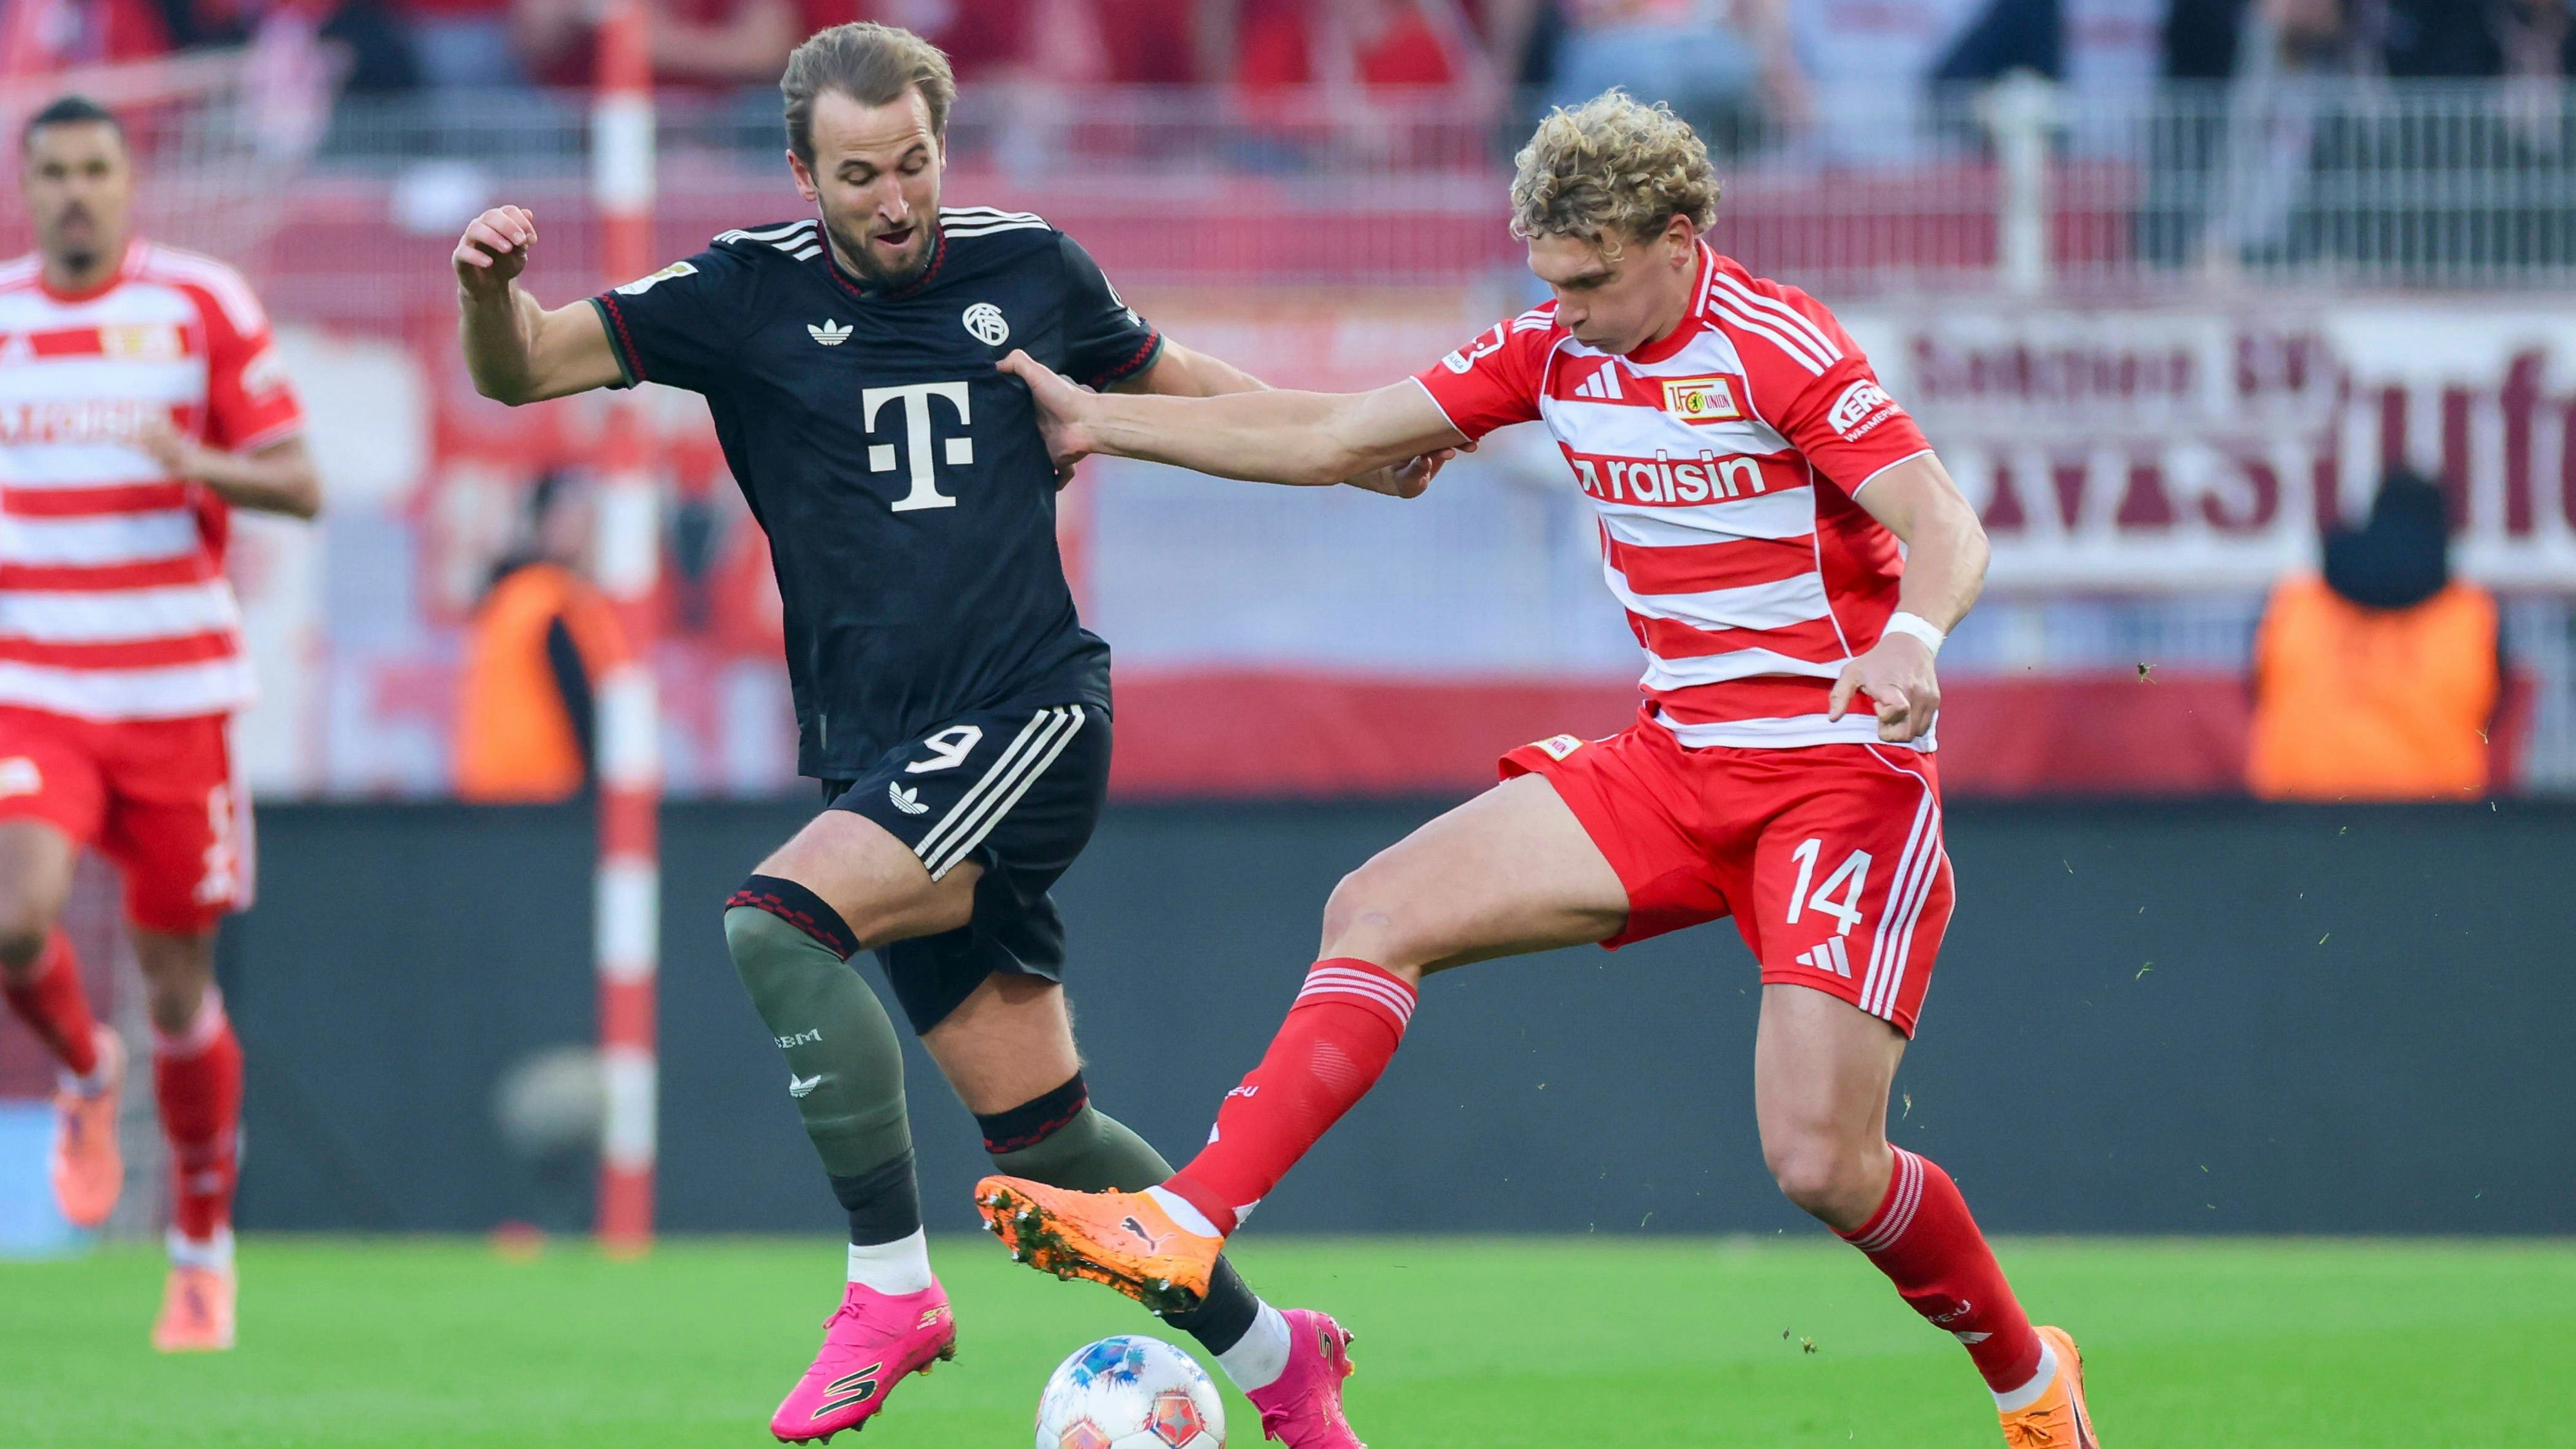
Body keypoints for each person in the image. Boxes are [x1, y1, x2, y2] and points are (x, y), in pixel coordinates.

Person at [975, 90, 2104, 1449]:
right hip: (1674, 764)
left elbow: (1941, 519)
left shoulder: (1769, 343)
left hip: (1832, 779)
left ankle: (2025, 1380)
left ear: (1676, 240)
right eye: (1545, 282)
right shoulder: (1552, 350)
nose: (1561, 308)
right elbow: (1333, 435)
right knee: (1374, 909)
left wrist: (1914, 639)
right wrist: (1101, 426)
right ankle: (1185, 1218)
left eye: (1587, 279)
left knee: (1819, 1162)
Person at [451, 23, 1441, 1446]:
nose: (897, 199)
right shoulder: (738, 294)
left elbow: (1180, 383)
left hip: (1028, 712)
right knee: (1053, 1148)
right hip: (884, 760)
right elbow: (522, 369)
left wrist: (1357, 445)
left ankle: (889, 1291)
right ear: (803, 172)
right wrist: (490, 292)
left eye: (915, 161)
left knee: (774, 925)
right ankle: (1288, 1364)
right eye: (861, 175)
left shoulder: (1026, 263)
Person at [0, 95, 321, 1351]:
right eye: (54, 172)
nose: (76, 191)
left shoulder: (199, 306)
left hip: (179, 697)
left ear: (130, 185)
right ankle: (85, 1070)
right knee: (17, 915)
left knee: (179, 990)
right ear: (28, 190)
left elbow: (297, 481)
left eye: (96, 169)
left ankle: (199, 1251)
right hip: (39, 685)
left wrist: (199, 465)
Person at [2246, 469, 2502, 800]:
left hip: (2297, 817)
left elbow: (2256, 692)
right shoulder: (2471, 614)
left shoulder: (2294, 602)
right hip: (2436, 825)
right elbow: (2495, 716)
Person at [452, 473, 631, 803]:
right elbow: (578, 701)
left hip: (493, 790)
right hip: (545, 790)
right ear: (544, 523)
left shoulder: (511, 595)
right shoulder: (547, 599)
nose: (581, 530)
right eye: (571, 518)